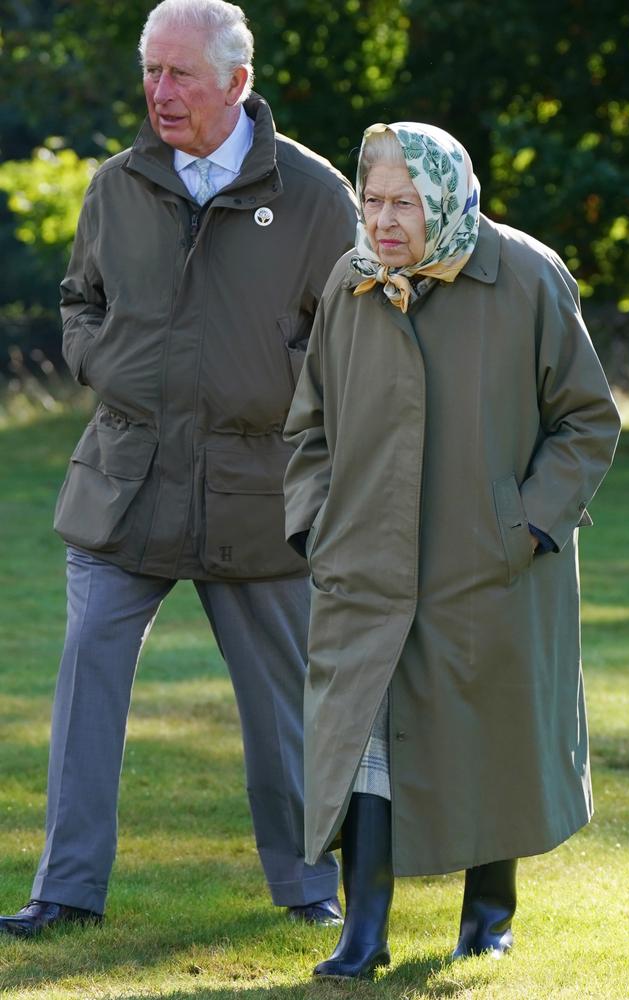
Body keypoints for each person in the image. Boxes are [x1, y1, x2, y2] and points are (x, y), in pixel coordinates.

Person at [0, 0, 358, 939]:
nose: (159, 93)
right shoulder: (116, 185)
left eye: (180, 74)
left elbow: (355, 340)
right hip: (125, 482)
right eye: (150, 72)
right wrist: (102, 363)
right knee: (86, 691)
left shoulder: (319, 198)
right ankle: (66, 892)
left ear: (237, 83)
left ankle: (307, 887)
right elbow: (81, 299)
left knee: (285, 711)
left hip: (259, 493)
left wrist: (293, 394)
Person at [283, 121, 621, 979]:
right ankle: (362, 933)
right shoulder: (352, 278)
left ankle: (489, 916)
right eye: (374, 200)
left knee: (487, 733)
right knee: (362, 734)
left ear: (446, 197)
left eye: (405, 202)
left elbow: (586, 420)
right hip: (364, 562)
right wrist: (315, 521)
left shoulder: (528, 276)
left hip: (487, 565)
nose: (386, 221)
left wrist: (529, 526)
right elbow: (310, 423)